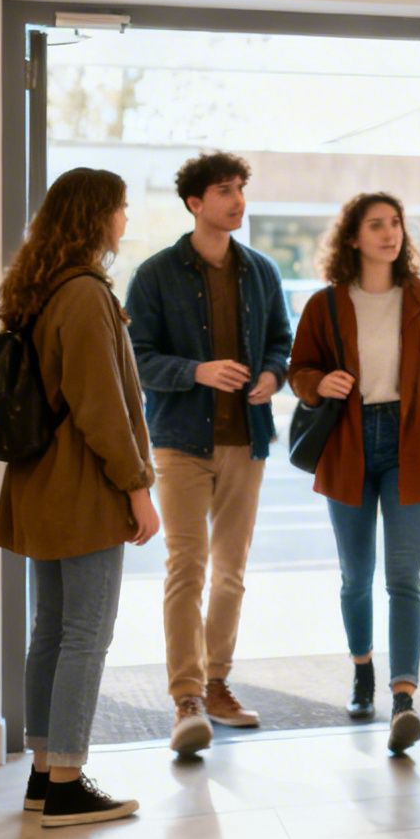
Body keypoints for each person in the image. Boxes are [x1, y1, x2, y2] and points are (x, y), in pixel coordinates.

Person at [0, 167, 160, 829]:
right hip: (83, 485)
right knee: (86, 634)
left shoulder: (39, 288)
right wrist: (137, 487)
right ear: (95, 218)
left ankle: (44, 774)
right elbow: (102, 408)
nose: (124, 220)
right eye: (119, 208)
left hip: (40, 481)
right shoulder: (85, 294)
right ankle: (66, 782)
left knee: (53, 630)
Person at [123, 152, 293, 756]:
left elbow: (282, 341)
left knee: (231, 571)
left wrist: (272, 375)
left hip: (247, 441)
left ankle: (217, 682)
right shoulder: (156, 274)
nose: (238, 200)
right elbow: (137, 358)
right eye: (225, 190)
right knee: (186, 568)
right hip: (180, 443)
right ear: (195, 203)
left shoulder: (261, 271)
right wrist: (197, 371)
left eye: (241, 188)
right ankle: (187, 697)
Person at [288, 192, 420, 755]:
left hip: (411, 445)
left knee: (404, 577)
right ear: (353, 237)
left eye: (396, 224)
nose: (389, 234)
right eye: (376, 225)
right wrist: (319, 383)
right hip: (348, 443)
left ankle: (404, 698)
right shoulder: (326, 304)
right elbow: (298, 370)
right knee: (356, 575)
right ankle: (362, 668)